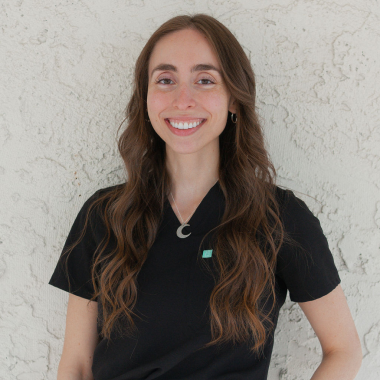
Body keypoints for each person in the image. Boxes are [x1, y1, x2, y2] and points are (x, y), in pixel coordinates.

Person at [48, 13, 362, 380]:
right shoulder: (103, 215)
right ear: (146, 97)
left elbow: (344, 350)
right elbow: (77, 366)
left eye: (205, 79)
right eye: (165, 79)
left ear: (233, 99)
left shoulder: (281, 217)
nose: (183, 99)